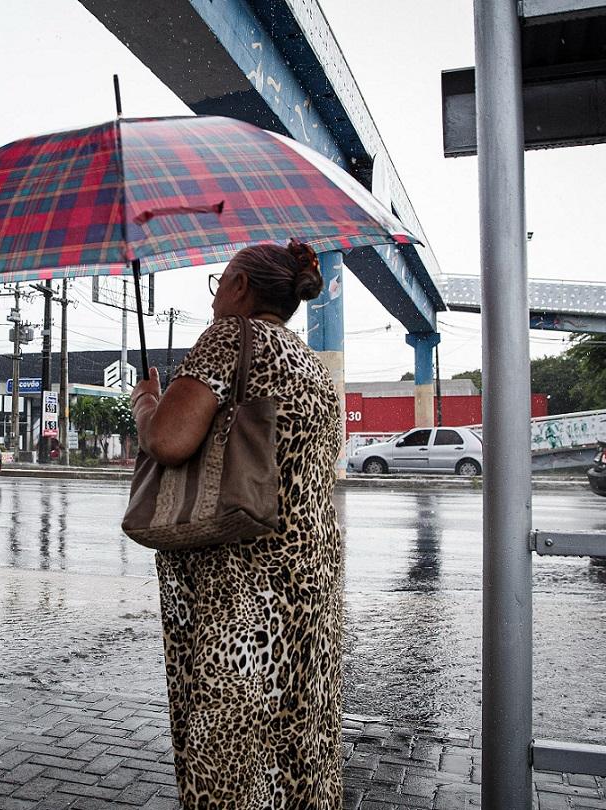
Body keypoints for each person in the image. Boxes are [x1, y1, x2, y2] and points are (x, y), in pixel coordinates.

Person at [130, 239, 344, 809]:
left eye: (220, 282)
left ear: (241, 287)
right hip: (309, 582)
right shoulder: (310, 365)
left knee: (228, 745)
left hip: (242, 587)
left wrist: (146, 403)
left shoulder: (230, 338)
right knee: (297, 735)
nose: (216, 297)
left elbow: (170, 441)